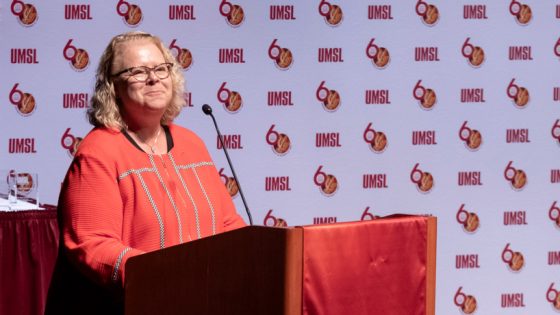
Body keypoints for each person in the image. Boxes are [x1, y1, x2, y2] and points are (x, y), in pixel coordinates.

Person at [45, 31, 246, 314]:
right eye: (138, 71)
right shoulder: (98, 152)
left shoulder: (192, 143)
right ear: (113, 86)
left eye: (161, 68)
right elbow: (91, 245)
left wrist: (253, 255)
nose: (154, 78)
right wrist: (167, 277)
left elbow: (227, 225)